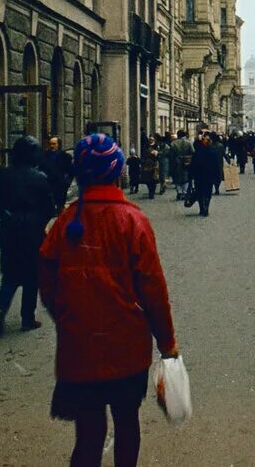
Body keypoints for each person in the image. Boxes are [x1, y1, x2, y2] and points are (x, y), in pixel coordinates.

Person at [39, 134, 178, 467]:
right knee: (127, 424)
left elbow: (46, 280)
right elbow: (153, 290)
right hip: (126, 347)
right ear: (117, 172)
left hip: (80, 345)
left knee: (88, 432)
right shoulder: (133, 221)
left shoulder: (65, 223)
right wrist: (167, 343)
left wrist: (67, 316)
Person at [0, 136, 53, 335]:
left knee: (10, 275)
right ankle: (27, 318)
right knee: (32, 277)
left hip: (10, 231)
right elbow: (49, 208)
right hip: (33, 232)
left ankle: (0, 308)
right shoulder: (39, 178)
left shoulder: (2, 176)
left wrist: (7, 216)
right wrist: (39, 221)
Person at [187, 132, 222, 217]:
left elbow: (193, 165)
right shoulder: (213, 151)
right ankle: (206, 207)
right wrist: (217, 175)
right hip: (209, 176)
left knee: (199, 192)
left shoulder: (198, 152)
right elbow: (216, 165)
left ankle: (202, 208)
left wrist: (191, 175)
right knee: (208, 192)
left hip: (199, 176)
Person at [42, 136, 75, 215]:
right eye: (50, 144)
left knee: (60, 204)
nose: (52, 146)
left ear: (58, 145)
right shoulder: (45, 156)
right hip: (48, 183)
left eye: (54, 144)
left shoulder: (65, 156)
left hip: (60, 184)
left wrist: (67, 181)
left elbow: (71, 171)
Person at [169, 130, 193, 200]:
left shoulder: (173, 143)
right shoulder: (189, 143)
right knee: (186, 178)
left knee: (177, 177)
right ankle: (184, 193)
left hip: (176, 162)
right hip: (186, 162)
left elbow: (171, 155)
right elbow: (193, 152)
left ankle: (179, 192)